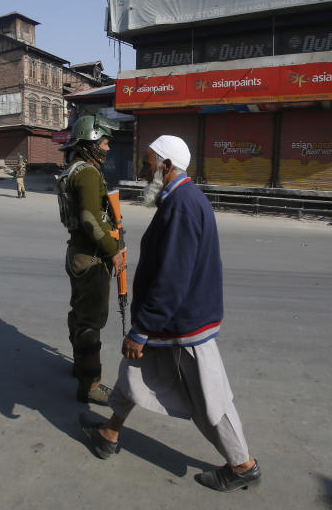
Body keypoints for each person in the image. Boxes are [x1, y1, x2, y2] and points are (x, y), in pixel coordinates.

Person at [80, 135, 261, 493]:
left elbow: (173, 277)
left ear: (166, 166)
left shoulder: (181, 204)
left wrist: (142, 329)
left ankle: (243, 465)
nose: (143, 169)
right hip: (170, 319)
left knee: (208, 399)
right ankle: (110, 432)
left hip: (182, 323)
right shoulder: (180, 198)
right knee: (133, 370)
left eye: (148, 163)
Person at [57, 114, 126, 405]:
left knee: (79, 313)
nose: (108, 148)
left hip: (78, 253)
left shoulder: (71, 169)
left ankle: (79, 365)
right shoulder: (87, 172)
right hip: (92, 257)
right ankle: (90, 384)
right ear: (90, 142)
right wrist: (114, 251)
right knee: (91, 323)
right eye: (105, 142)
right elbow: (88, 217)